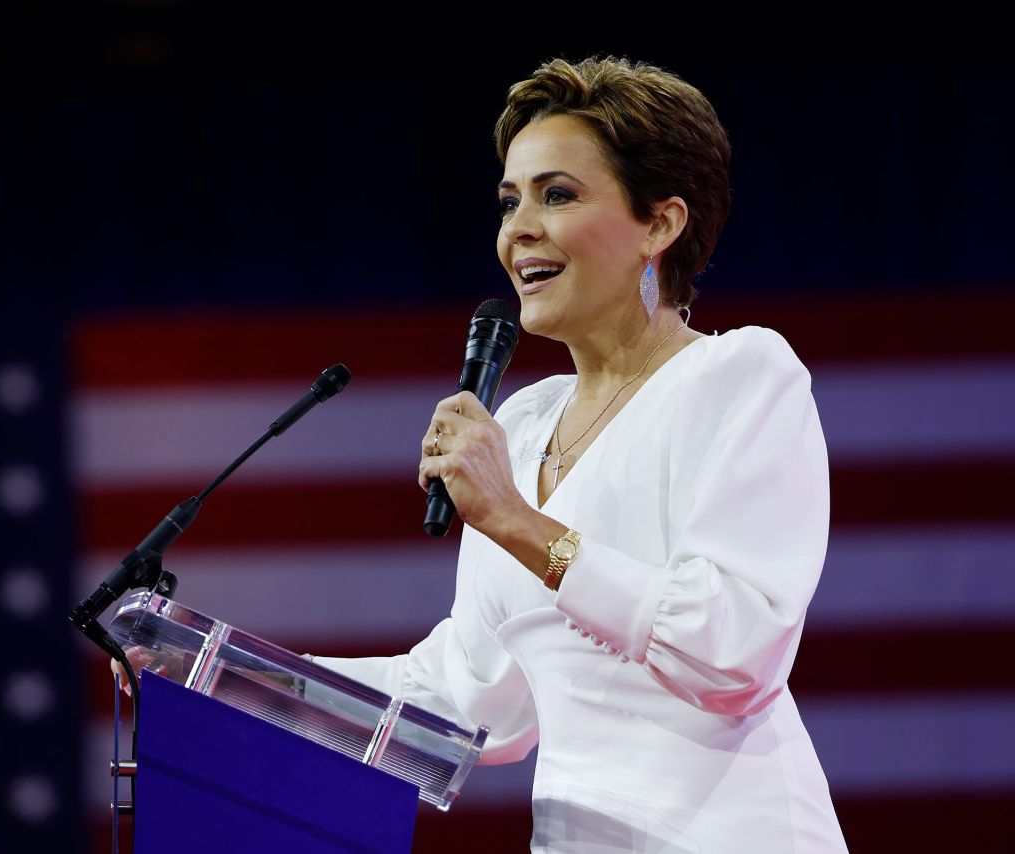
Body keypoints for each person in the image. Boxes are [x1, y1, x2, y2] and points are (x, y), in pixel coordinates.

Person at [308, 55, 850, 853]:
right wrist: (224, 681)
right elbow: (470, 703)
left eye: (557, 195)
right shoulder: (523, 424)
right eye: (510, 201)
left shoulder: (738, 375)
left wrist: (518, 523)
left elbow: (732, 654)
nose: (518, 228)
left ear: (660, 225)